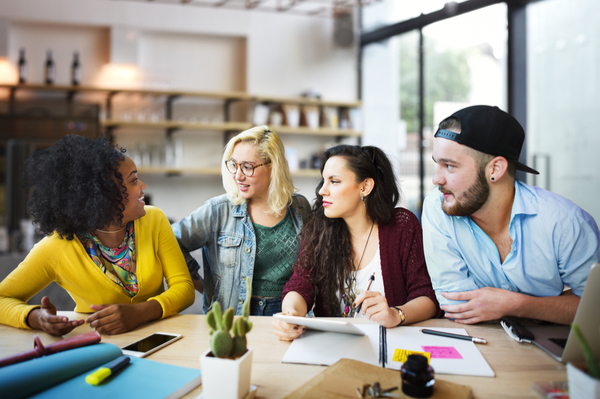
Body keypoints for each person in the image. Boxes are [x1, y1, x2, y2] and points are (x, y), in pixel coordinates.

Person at [422, 105, 600, 325]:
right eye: (437, 164)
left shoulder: (566, 223)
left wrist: (517, 304)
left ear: (495, 169)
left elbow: (594, 310)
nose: (436, 179)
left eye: (449, 166)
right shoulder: (437, 208)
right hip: (481, 343)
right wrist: (552, 306)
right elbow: (457, 306)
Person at [0, 135, 194, 336]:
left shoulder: (154, 220)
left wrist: (139, 313)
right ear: (105, 196)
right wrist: (37, 318)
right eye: (134, 180)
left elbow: (184, 287)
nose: (143, 186)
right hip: (98, 346)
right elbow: (2, 298)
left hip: (159, 341)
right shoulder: (57, 247)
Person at [273, 145, 441, 341]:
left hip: (390, 344)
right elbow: (300, 284)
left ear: (365, 187)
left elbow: (427, 296)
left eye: (334, 181)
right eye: (323, 181)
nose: (322, 191)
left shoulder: (402, 226)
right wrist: (291, 314)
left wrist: (396, 314)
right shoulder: (319, 228)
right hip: (333, 345)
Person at [172, 126, 310, 316]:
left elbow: (310, 266)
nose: (237, 175)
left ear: (273, 167)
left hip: (288, 314)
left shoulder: (300, 207)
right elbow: (171, 240)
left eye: (247, 167)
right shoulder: (217, 210)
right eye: (234, 165)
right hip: (234, 317)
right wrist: (199, 283)